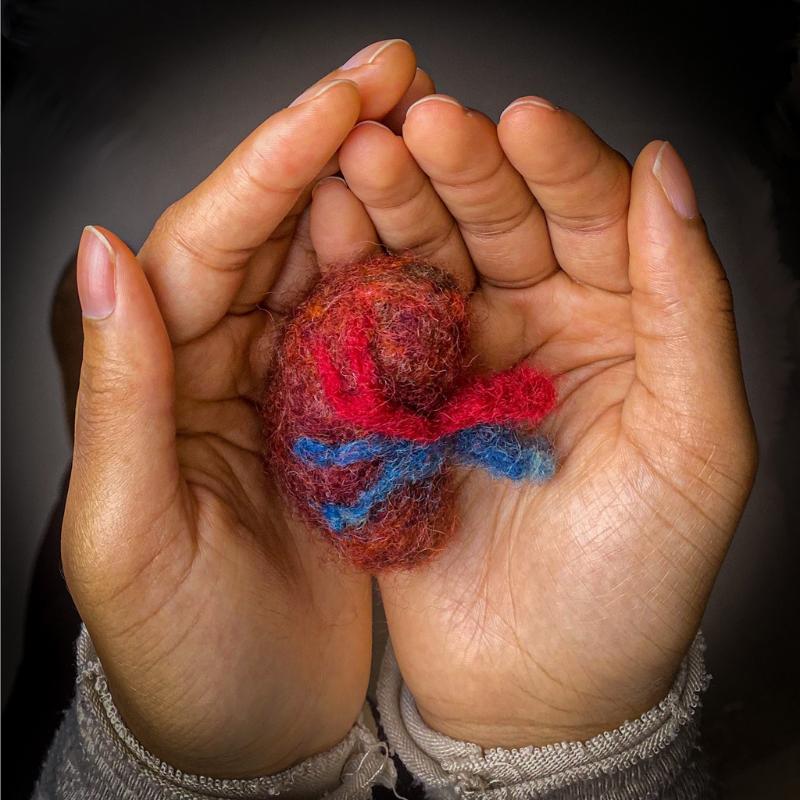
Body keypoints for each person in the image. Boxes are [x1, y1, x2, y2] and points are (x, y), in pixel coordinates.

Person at [32, 38, 757, 799]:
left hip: (346, 455)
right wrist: (559, 747)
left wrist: (180, 771)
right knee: (95, 527)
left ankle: (93, 430)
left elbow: (457, 424)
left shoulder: (413, 425)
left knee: (62, 605)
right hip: (341, 449)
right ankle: (98, 423)